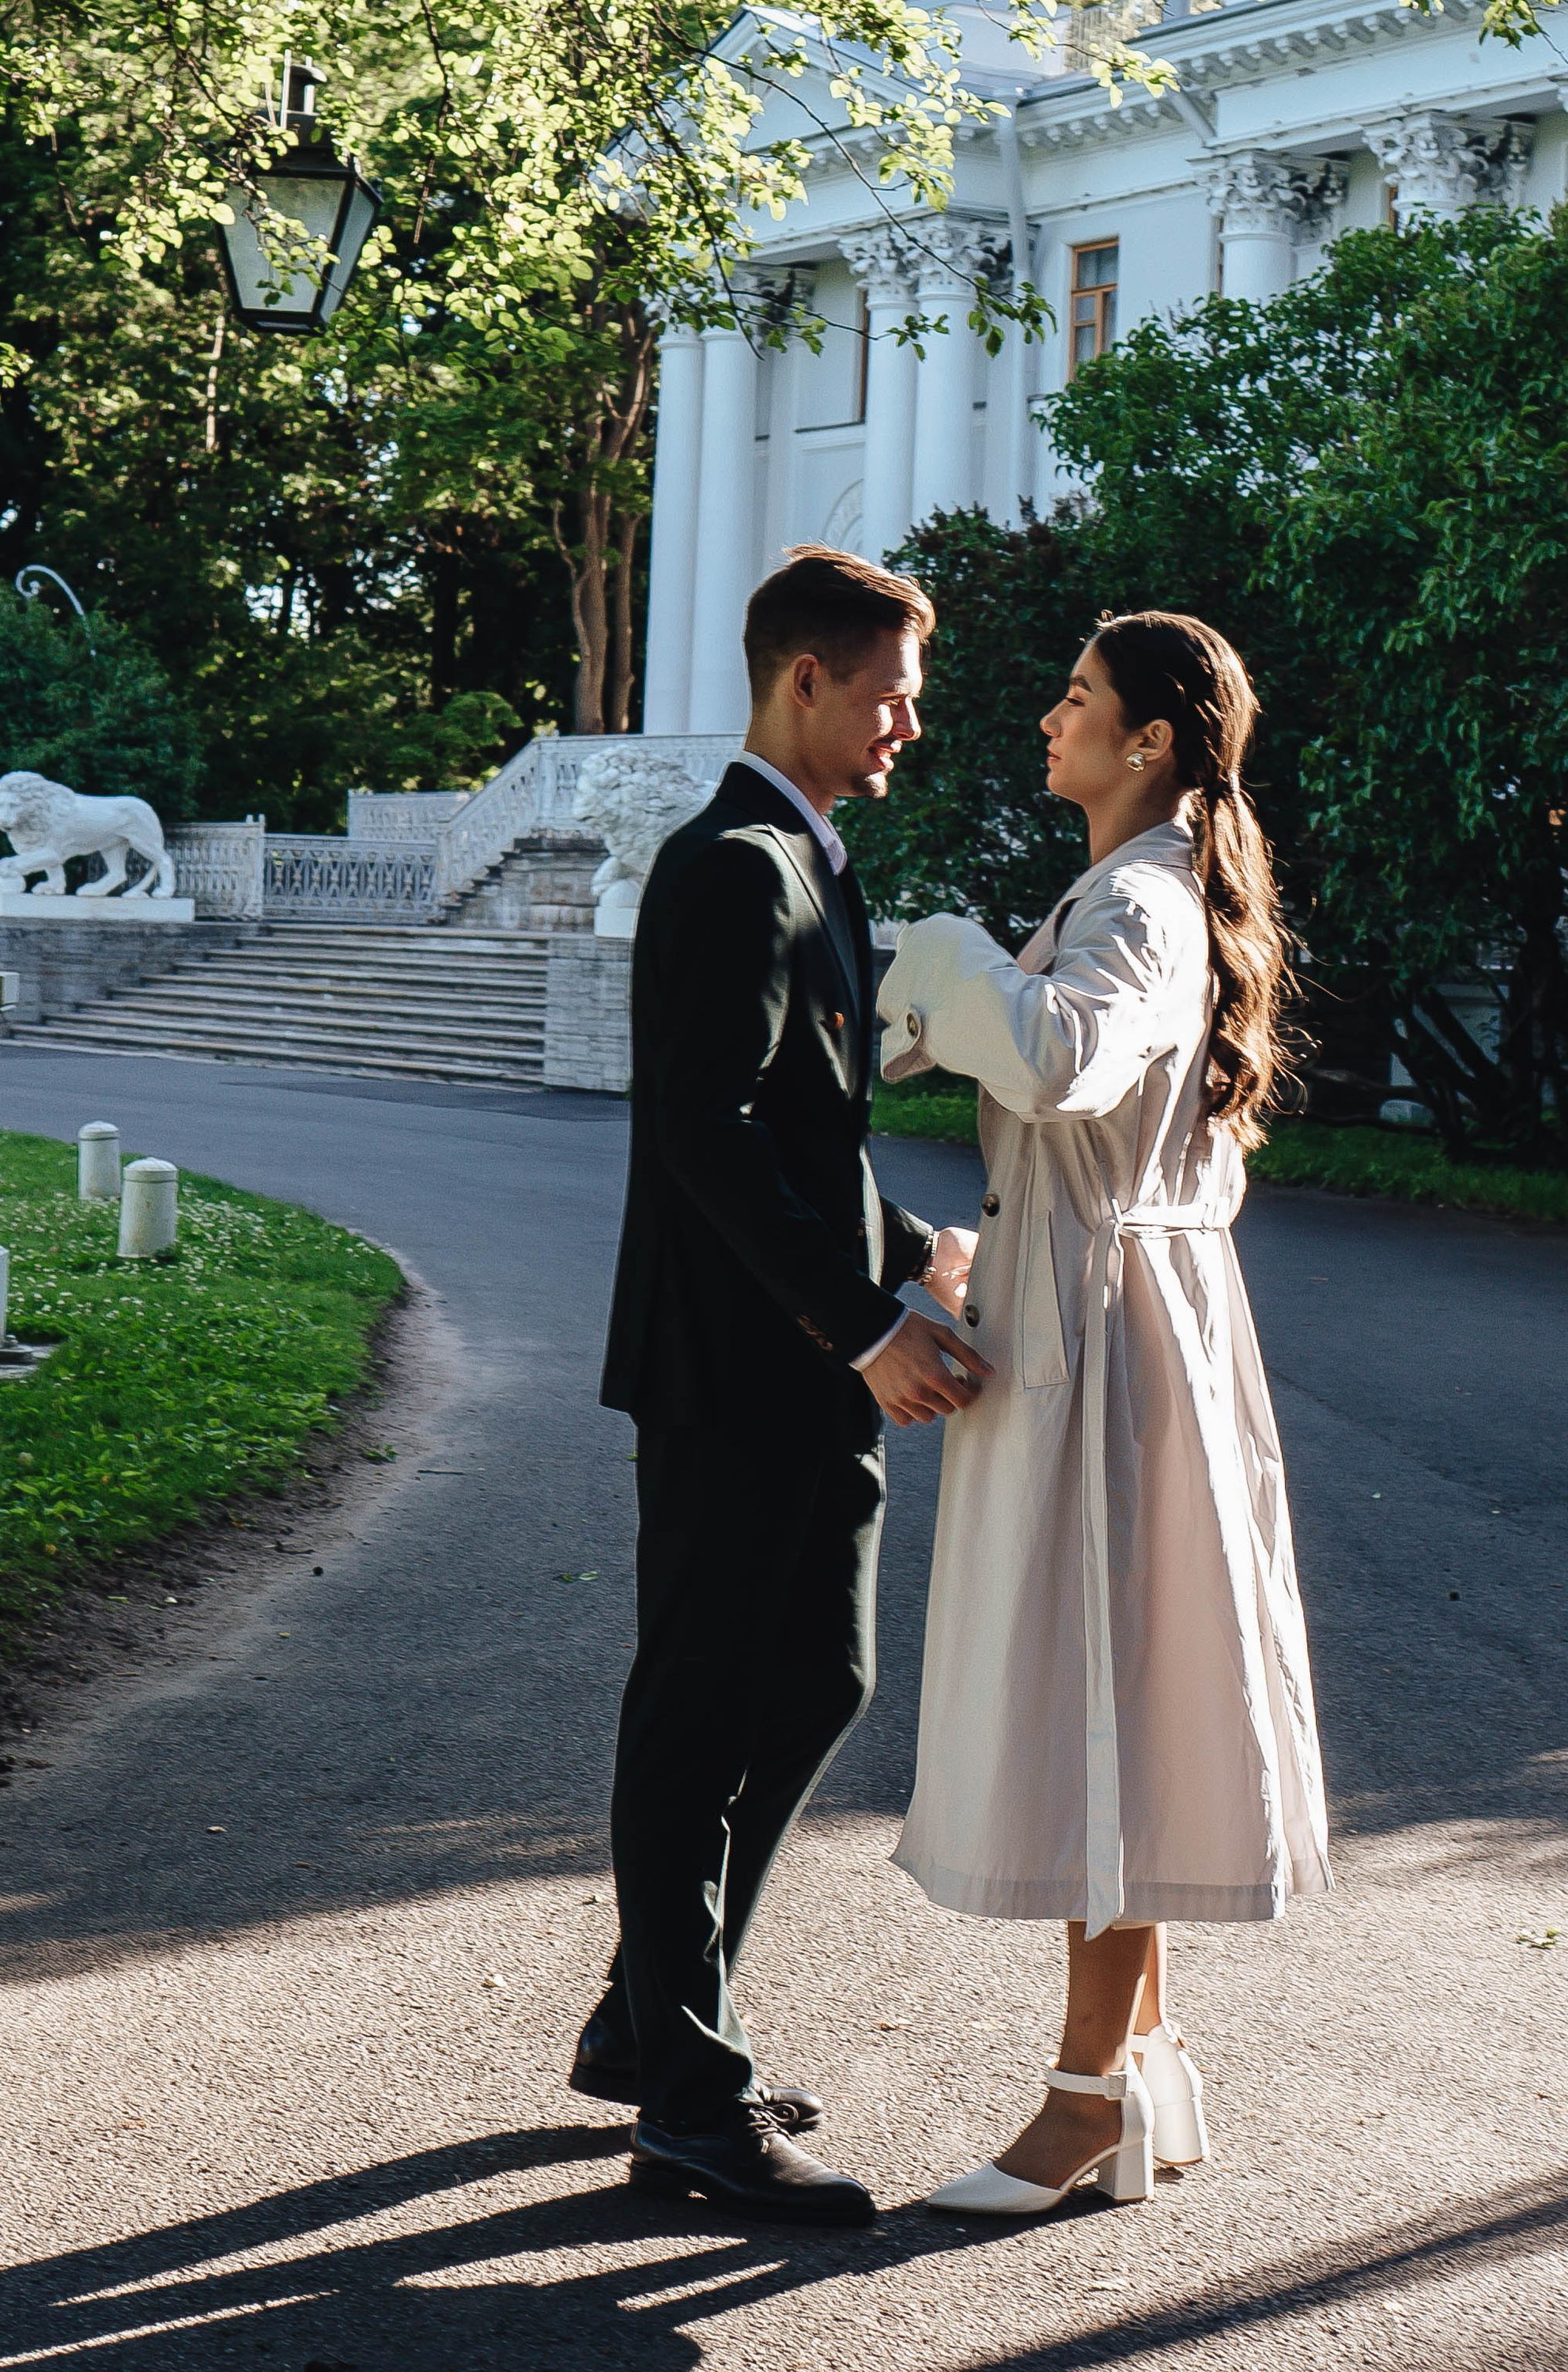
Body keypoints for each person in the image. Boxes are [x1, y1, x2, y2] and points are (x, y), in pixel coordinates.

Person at [876, 609, 1332, 2218]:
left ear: (1146, 740)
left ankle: (1081, 2103)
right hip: (1107, 1313)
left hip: (1111, 1342)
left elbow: (1059, 1063)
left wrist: (936, 955)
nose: (1045, 721)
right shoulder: (1135, 889)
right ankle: (1139, 2072)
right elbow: (1051, 1098)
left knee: (1107, 1708)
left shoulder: (1139, 902)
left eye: (1073, 700)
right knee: (1107, 1691)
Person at [575, 544, 985, 2228]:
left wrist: (907, 1248)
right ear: (802, 678)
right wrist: (867, 1325)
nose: (906, 725)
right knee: (700, 1709)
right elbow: (705, 1131)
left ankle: (659, 2019)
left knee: (817, 1682)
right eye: (887, 691)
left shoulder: (808, 861)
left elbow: (806, 1129)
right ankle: (690, 2093)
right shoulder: (729, 863)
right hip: (737, 1370)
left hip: (803, 1354)